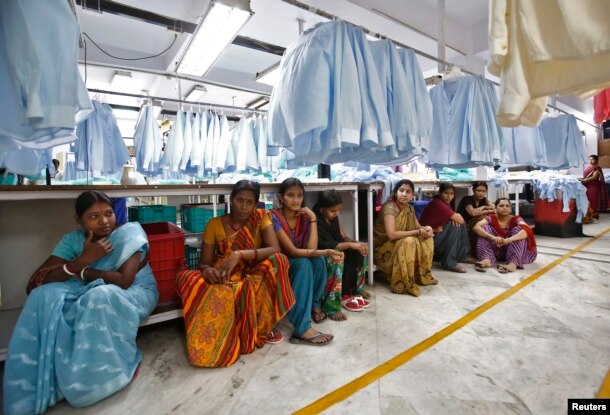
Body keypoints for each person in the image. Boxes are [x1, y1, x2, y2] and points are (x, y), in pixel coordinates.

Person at [4, 191, 158, 415]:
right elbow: (34, 285)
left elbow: (123, 281)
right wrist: (84, 258)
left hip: (136, 292)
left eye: (108, 213)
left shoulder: (129, 234)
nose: (104, 221)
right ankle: (51, 374)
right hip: (91, 286)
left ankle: (102, 377)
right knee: (44, 296)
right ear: (79, 219)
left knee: (99, 297)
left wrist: (82, 269)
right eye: (94, 216)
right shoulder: (73, 240)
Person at [176, 180, 295, 367]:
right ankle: (220, 339)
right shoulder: (214, 224)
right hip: (225, 273)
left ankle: (265, 325)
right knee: (188, 278)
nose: (244, 206)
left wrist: (239, 254)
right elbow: (204, 263)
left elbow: (275, 248)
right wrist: (208, 271)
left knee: (279, 261)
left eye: (250, 202)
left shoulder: (261, 218)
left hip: (251, 271)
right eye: (240, 200)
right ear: (231, 199)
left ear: (256, 204)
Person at [271, 178, 343, 346]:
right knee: (305, 262)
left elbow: (312, 248)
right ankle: (301, 328)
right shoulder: (274, 217)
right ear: (281, 197)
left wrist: (312, 219)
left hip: (299, 259)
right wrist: (326, 251)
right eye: (290, 195)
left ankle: (314, 305)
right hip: (282, 263)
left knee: (317, 260)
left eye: (299, 195)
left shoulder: (305, 217)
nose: (296, 200)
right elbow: (292, 251)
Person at [373, 179, 436, 296]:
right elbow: (391, 235)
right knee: (409, 241)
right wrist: (417, 232)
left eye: (408, 192)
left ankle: (417, 275)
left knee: (427, 238)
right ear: (396, 192)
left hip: (399, 243)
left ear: (412, 195)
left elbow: (418, 227)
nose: (404, 194)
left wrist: (427, 228)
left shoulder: (409, 208)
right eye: (401, 190)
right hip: (382, 248)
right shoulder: (389, 208)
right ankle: (401, 282)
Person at [313, 189, 370, 320]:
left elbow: (343, 236)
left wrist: (356, 243)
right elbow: (329, 246)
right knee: (336, 257)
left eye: (338, 210)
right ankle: (331, 306)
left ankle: (355, 289)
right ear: (322, 209)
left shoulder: (332, 217)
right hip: (322, 253)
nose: (336, 213)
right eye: (333, 211)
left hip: (335, 248)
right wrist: (351, 245)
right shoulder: (314, 220)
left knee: (360, 249)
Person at [418, 182, 472, 273]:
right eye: (446, 193)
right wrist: (456, 217)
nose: (449, 196)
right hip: (426, 237)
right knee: (455, 227)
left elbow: (457, 220)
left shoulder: (444, 203)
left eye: (451, 194)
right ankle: (449, 263)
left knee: (457, 224)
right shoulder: (438, 203)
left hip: (435, 234)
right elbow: (460, 220)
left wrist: (454, 218)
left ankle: (462, 256)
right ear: (440, 193)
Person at [472, 197, 537, 273]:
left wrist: (508, 240)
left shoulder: (516, 219)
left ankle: (513, 263)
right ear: (495, 208)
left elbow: (527, 229)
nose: (504, 208)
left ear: (510, 209)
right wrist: (493, 237)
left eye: (507, 206)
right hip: (496, 249)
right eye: (501, 206)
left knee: (520, 229)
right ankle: (486, 259)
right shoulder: (491, 218)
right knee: (484, 227)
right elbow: (476, 227)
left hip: (513, 249)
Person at [456, 181, 495, 254]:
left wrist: (484, 206)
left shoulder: (484, 200)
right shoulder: (467, 199)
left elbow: (495, 209)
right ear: (473, 190)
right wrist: (486, 211)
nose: (481, 193)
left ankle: (486, 251)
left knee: (488, 222)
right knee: (482, 220)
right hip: (465, 224)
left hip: (477, 224)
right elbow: (473, 213)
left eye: (483, 191)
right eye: (478, 190)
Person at [579, 154, 609, 222]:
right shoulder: (589, 167)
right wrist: (582, 179)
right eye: (589, 159)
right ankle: (591, 215)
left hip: (593, 186)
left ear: (596, 160)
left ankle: (592, 215)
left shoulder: (597, 167)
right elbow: (586, 176)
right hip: (587, 186)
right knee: (587, 201)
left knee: (593, 201)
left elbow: (594, 177)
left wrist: (584, 180)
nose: (591, 161)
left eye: (592, 159)